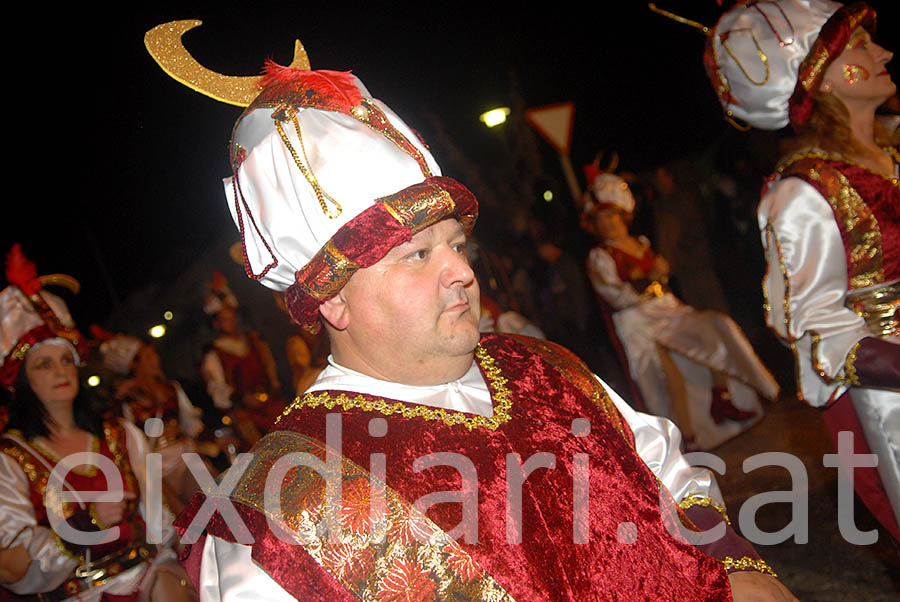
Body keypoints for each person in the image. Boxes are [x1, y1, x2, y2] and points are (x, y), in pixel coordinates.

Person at [145, 20, 797, 601]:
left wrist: (739, 566)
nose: (461, 269)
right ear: (333, 300)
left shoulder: (542, 367)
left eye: (455, 244)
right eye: (416, 256)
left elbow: (669, 476)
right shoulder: (284, 506)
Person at [705, 0, 899, 541]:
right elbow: (819, 330)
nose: (882, 52)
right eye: (859, 47)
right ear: (819, 79)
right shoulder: (804, 193)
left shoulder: (894, 154)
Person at [0, 244, 195, 601]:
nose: (61, 371)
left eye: (65, 360)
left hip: (151, 578)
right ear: (22, 381)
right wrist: (86, 525)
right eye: (44, 364)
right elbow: (13, 568)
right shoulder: (11, 460)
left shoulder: (120, 435)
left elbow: (159, 522)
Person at [584, 172, 780, 450]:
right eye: (600, 219)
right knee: (669, 379)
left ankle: (723, 400)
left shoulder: (641, 243)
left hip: (668, 309)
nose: (607, 224)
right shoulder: (600, 256)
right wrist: (649, 278)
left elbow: (658, 279)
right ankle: (686, 438)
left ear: (622, 216)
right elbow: (615, 295)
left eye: (611, 216)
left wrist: (659, 274)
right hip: (639, 321)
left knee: (715, 328)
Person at [95, 329, 209, 514]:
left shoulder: (171, 389)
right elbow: (127, 443)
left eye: (154, 354)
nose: (155, 359)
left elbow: (192, 426)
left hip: (187, 457)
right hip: (158, 471)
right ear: (134, 365)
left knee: (211, 494)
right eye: (148, 357)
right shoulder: (128, 402)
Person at [200, 272, 284, 447]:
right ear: (216, 323)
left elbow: (269, 366)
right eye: (224, 319)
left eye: (231, 317)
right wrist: (239, 399)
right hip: (248, 415)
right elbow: (218, 390)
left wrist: (273, 386)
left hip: (272, 404)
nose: (230, 322)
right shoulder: (214, 354)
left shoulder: (253, 339)